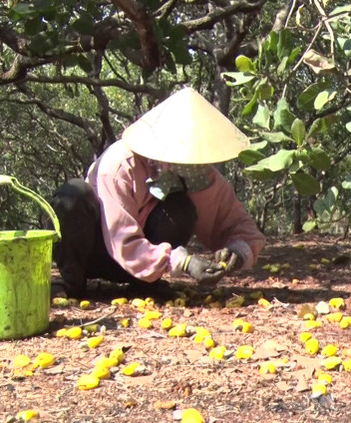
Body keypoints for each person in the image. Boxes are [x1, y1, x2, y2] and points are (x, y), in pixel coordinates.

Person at [49, 87, 265, 299]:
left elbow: (235, 221)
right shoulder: (119, 166)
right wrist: (181, 262)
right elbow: (121, 238)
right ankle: (72, 284)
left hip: (143, 264)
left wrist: (237, 251)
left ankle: (144, 284)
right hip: (96, 254)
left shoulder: (198, 174)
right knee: (72, 196)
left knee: (181, 209)